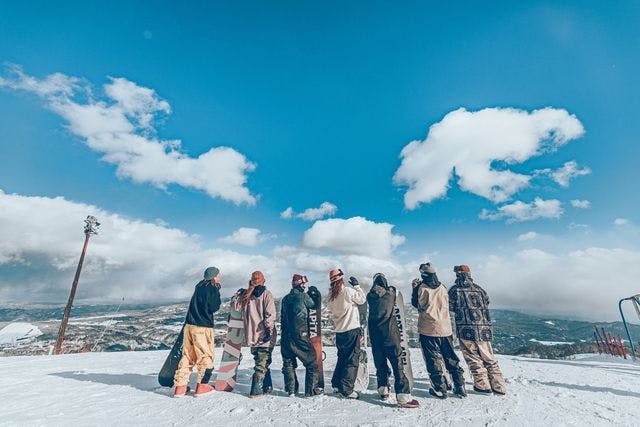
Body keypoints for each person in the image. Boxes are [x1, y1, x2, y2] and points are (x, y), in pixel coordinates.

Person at [411, 262, 466, 399]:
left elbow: (416, 304)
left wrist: (414, 289)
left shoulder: (421, 287)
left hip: (428, 329)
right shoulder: (443, 287)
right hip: (445, 328)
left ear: (423, 274)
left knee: (432, 358)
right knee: (450, 357)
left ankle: (439, 388)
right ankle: (460, 386)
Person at [449, 265, 506, 395]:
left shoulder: (455, 290)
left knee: (473, 357)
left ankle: (482, 385)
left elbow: (450, 307)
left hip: (466, 329)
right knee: (489, 357)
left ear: (457, 274)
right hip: (484, 328)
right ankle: (499, 385)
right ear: (469, 274)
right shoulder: (480, 289)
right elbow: (487, 302)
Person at [367, 273, 420, 408]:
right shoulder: (391, 293)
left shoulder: (370, 296)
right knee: (397, 364)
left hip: (374, 335)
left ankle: (383, 389)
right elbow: (394, 290)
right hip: (390, 335)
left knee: (380, 363)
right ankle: (403, 396)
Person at [173, 266, 222, 398]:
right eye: (218, 274)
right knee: (205, 355)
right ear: (214, 276)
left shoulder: (198, 286)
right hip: (202, 327)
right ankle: (202, 385)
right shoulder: (212, 288)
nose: (220, 276)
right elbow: (214, 307)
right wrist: (216, 290)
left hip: (189, 325)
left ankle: (180, 387)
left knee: (187, 355)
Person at [230, 270, 277, 398]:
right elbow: (270, 314)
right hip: (264, 334)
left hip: (252, 335)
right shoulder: (266, 294)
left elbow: (234, 306)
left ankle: (267, 386)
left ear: (251, 281)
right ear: (263, 281)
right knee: (262, 363)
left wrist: (238, 294)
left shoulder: (246, 295)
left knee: (260, 360)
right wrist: (269, 330)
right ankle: (255, 390)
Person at [326, 268, 366, 399]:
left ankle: (337, 384)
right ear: (341, 278)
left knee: (342, 359)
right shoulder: (348, 291)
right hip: (351, 330)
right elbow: (362, 300)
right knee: (351, 360)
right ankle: (347, 390)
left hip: (339, 332)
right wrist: (357, 286)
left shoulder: (330, 296)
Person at [280, 273, 321, 397]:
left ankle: (291, 390)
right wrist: (315, 294)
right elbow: (314, 305)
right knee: (312, 361)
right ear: (300, 284)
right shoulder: (303, 297)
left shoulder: (285, 299)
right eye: (304, 284)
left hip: (286, 335)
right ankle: (311, 390)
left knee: (288, 362)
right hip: (300, 334)